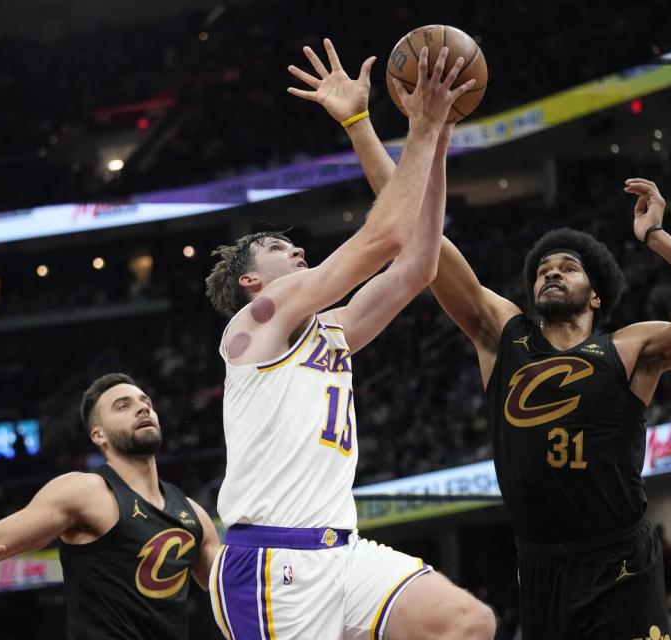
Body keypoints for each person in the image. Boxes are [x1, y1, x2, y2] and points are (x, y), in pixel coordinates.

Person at [301, 51, 671, 637]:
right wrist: (359, 125)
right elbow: (413, 228)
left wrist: (660, 240)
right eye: (544, 267)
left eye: (568, 267)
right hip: (541, 565)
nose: (551, 272)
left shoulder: (630, 349)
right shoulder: (502, 333)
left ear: (595, 294)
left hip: (620, 559)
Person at [202, 40, 494, 640]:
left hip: (345, 553)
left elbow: (417, 265)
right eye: (281, 249)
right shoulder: (257, 322)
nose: (299, 250)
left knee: (466, 622)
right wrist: (420, 124)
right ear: (253, 280)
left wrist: (433, 142)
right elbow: (385, 236)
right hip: (271, 565)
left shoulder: (329, 330)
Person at [0, 373, 221, 640]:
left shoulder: (193, 513)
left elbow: (230, 588)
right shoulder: (84, 491)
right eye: (123, 406)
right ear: (99, 435)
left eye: (145, 403)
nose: (142, 409)